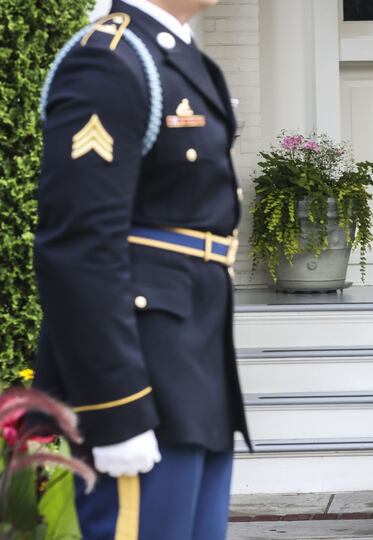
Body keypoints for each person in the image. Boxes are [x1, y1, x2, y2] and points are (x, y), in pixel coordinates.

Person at [34, 0, 249, 538]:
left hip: (193, 370)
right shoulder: (110, 60)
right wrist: (116, 409)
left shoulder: (179, 57)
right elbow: (80, 245)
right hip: (142, 379)